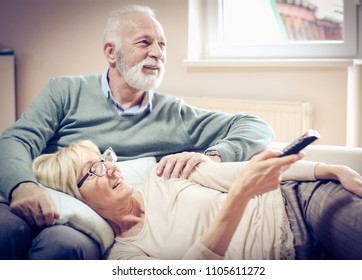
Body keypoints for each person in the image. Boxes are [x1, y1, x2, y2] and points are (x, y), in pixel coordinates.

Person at [0, 5, 275, 260]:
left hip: (86, 214)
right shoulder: (65, 91)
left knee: (62, 247)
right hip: (32, 190)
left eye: (162, 44)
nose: (158, 52)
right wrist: (21, 187)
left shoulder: (174, 114)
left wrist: (214, 156)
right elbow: (16, 139)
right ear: (111, 52)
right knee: (7, 231)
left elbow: (256, 126)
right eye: (145, 42)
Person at [32, 140, 362, 259]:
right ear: (75, 197)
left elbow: (241, 174)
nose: (110, 169)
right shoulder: (126, 255)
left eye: (104, 158)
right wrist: (238, 199)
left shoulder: (160, 176)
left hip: (302, 203)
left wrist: (330, 169)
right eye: (93, 171)